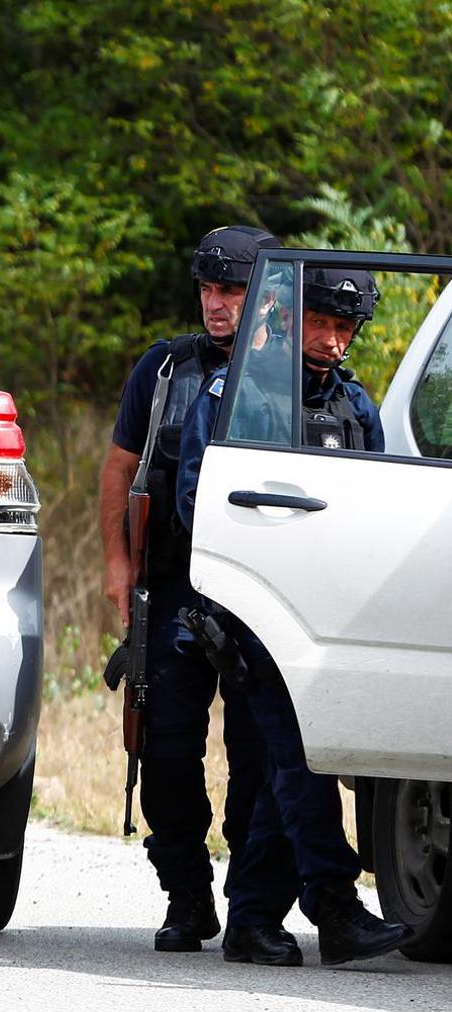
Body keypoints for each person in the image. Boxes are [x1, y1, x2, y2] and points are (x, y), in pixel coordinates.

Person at [175, 264, 406, 966]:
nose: (334, 341)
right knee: (302, 764)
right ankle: (334, 908)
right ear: (288, 316)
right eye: (322, 323)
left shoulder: (354, 406)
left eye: (345, 327)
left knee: (289, 767)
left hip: (328, 618)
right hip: (258, 615)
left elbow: (378, 507)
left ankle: (250, 920)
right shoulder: (234, 395)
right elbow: (198, 502)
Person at [99, 225, 304, 962]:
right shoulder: (164, 370)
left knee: (261, 759)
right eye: (209, 289)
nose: (218, 305)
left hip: (262, 602)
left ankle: (255, 911)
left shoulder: (296, 374)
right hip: (172, 589)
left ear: (266, 295)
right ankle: (187, 896)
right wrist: (117, 567)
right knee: (167, 753)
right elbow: (120, 468)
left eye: (234, 290)